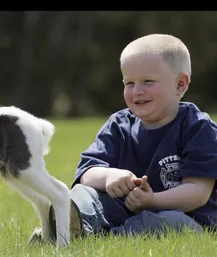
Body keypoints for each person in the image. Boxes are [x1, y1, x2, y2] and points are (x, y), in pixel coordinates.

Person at [29, 33, 217, 244]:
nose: (137, 91)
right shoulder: (119, 124)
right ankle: (65, 226)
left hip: (184, 215)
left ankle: (101, 237)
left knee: (172, 223)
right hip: (123, 208)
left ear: (180, 85)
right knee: (84, 193)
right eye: (129, 83)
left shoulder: (198, 127)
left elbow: (198, 192)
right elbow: (87, 172)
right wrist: (109, 176)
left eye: (147, 81)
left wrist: (152, 201)